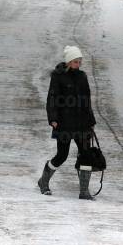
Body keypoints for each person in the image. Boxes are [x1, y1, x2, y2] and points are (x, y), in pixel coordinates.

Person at [37, 45, 97, 200]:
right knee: (62, 155)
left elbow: (87, 101)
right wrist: (53, 119)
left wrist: (91, 121)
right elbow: (52, 98)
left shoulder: (83, 77)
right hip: (64, 123)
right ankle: (43, 181)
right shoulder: (58, 76)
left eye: (80, 61)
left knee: (86, 155)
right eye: (76, 61)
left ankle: (84, 191)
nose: (79, 64)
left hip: (82, 124)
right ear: (69, 61)